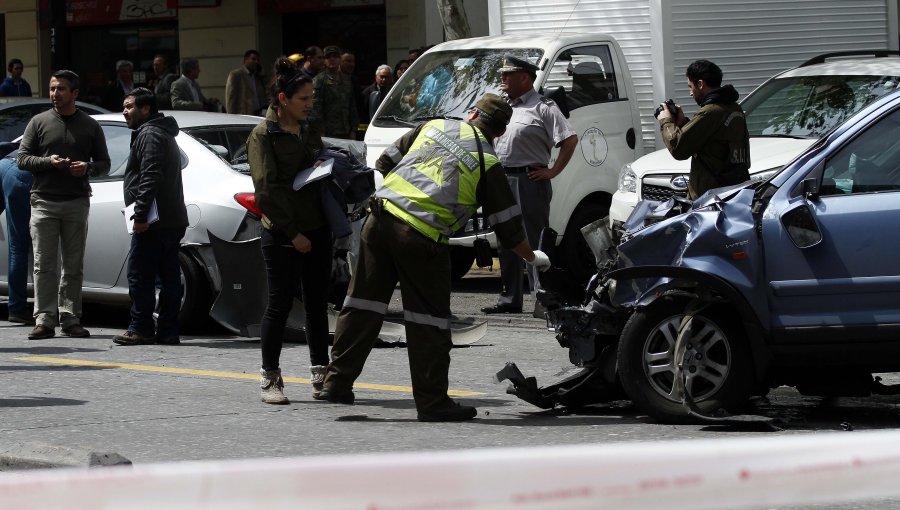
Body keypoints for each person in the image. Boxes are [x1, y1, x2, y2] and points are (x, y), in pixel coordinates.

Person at [318, 93, 551, 422]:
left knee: (362, 305)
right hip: (421, 238)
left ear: (472, 115)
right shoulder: (487, 162)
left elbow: (385, 162)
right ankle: (432, 402)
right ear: (498, 133)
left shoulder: (433, 126)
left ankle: (336, 383)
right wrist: (533, 257)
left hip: (379, 221)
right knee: (428, 321)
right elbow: (508, 228)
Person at [248, 57, 333, 405]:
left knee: (316, 305)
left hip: (317, 226)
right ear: (283, 99)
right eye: (304, 99)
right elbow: (265, 190)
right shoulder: (263, 134)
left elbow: (319, 160)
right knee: (279, 305)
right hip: (283, 232)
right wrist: (293, 233)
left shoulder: (309, 128)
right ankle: (271, 378)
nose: (310, 105)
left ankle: (322, 375)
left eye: (311, 99)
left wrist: (321, 163)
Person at [16, 70, 110, 340]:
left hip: (76, 202)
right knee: (43, 264)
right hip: (43, 201)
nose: (55, 94)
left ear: (75, 93)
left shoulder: (90, 125)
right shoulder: (38, 122)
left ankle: (70, 318)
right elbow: (22, 158)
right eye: (52, 88)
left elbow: (105, 164)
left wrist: (88, 167)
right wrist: (48, 162)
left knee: (73, 265)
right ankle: (44, 319)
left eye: (61, 89)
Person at [482, 56, 577, 318]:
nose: (502, 78)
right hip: (501, 179)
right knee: (505, 238)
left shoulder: (544, 107)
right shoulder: (502, 107)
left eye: (507, 74)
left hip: (529, 180)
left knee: (534, 239)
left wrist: (553, 171)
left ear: (525, 77)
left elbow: (569, 140)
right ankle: (509, 298)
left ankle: (541, 299)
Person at [111, 88, 188, 347]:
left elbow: (151, 175)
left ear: (146, 109)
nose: (125, 111)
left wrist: (141, 214)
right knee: (167, 276)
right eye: (124, 106)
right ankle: (167, 331)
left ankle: (142, 328)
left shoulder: (150, 133)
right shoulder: (159, 131)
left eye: (130, 106)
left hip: (156, 221)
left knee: (140, 274)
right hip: (169, 218)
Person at [657, 59, 750, 199]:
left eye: (690, 86)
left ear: (700, 84)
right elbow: (713, 142)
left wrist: (666, 120)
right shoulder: (734, 108)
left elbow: (678, 148)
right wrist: (683, 123)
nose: (690, 93)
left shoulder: (711, 112)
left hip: (710, 201)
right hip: (733, 195)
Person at [0, 143, 34, 325]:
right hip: (22, 172)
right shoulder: (82, 128)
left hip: (5, 163)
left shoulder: (44, 121)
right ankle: (17, 308)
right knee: (18, 247)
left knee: (17, 246)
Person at [310, 46, 359, 140]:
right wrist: (321, 132)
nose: (332, 59)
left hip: (346, 131)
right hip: (328, 133)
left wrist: (353, 129)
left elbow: (352, 106)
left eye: (335, 56)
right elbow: (316, 109)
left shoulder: (346, 80)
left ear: (340, 59)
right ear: (324, 60)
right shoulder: (319, 80)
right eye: (328, 57)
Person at [225, 49, 267, 115]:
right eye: (253, 59)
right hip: (244, 114)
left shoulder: (258, 77)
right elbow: (231, 99)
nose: (256, 62)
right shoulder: (236, 75)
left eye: (258, 60)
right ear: (246, 60)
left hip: (259, 114)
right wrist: (231, 116)